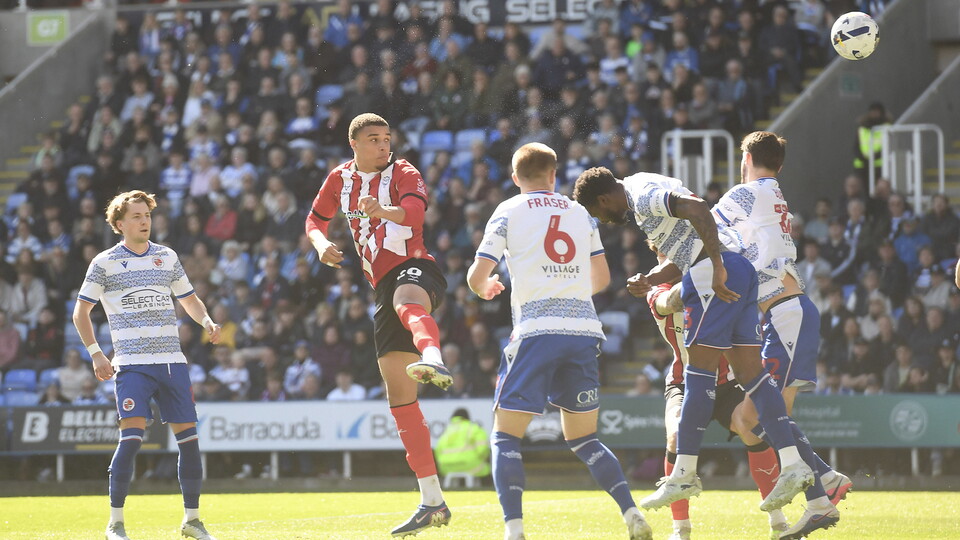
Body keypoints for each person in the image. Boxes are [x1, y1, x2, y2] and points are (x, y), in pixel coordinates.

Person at [572, 166, 814, 515]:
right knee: (752, 375)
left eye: (597, 212)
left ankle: (683, 474)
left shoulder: (641, 196)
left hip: (712, 272)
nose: (603, 219)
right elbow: (687, 247)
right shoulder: (643, 187)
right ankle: (793, 464)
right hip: (737, 267)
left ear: (603, 199)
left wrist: (716, 264)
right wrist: (653, 277)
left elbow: (698, 209)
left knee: (698, 374)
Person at [467, 143, 653, 540]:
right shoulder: (580, 213)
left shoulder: (508, 210)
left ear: (515, 177)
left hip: (536, 330)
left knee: (505, 435)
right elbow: (602, 279)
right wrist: (568, 290)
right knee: (584, 438)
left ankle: (514, 530)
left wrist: (485, 288)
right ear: (554, 175)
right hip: (583, 331)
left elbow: (476, 275)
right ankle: (631, 512)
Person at [305, 113, 453, 537]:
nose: (384, 145)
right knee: (400, 398)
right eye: (374, 139)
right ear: (354, 143)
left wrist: (382, 209)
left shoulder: (404, 171)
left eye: (387, 138)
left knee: (407, 300)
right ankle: (433, 502)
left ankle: (433, 356)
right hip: (381, 285)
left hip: (417, 266)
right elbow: (314, 219)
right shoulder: (339, 178)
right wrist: (320, 243)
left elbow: (414, 216)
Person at [711, 131, 851, 538]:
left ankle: (824, 484)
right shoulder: (773, 194)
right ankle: (822, 494)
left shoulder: (746, 193)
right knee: (764, 418)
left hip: (787, 315)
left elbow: (701, 224)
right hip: (788, 314)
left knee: (750, 417)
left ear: (747, 157)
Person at [73, 190, 220, 540]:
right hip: (132, 365)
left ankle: (192, 521)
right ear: (120, 224)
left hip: (172, 362)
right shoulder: (104, 262)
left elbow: (189, 299)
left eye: (147, 215)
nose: (144, 222)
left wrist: (206, 320)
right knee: (131, 440)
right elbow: (81, 312)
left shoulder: (166, 257)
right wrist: (96, 353)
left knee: (189, 441)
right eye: (137, 216)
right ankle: (115, 523)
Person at [645, 246, 787, 540]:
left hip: (727, 382)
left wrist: (715, 270)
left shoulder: (713, 275)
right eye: (661, 255)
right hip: (683, 381)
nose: (666, 261)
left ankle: (778, 521)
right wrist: (707, 273)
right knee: (675, 436)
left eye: (672, 253)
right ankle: (680, 530)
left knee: (749, 428)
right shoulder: (659, 290)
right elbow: (667, 303)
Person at [433, 408, 491, 481]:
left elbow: (437, 451)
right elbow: (482, 449)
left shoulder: (447, 431)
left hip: (447, 466)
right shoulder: (474, 429)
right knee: (487, 468)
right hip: (470, 465)